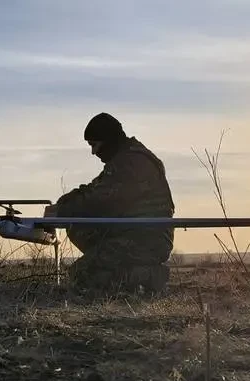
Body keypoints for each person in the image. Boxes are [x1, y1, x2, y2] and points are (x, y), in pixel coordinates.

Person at [44, 113, 175, 295]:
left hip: (146, 239)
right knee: (78, 229)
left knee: (82, 275)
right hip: (135, 234)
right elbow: (95, 189)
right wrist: (65, 203)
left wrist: (62, 211)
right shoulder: (125, 159)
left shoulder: (132, 162)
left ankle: (147, 277)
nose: (93, 152)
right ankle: (133, 277)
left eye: (94, 145)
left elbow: (100, 200)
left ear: (108, 140)